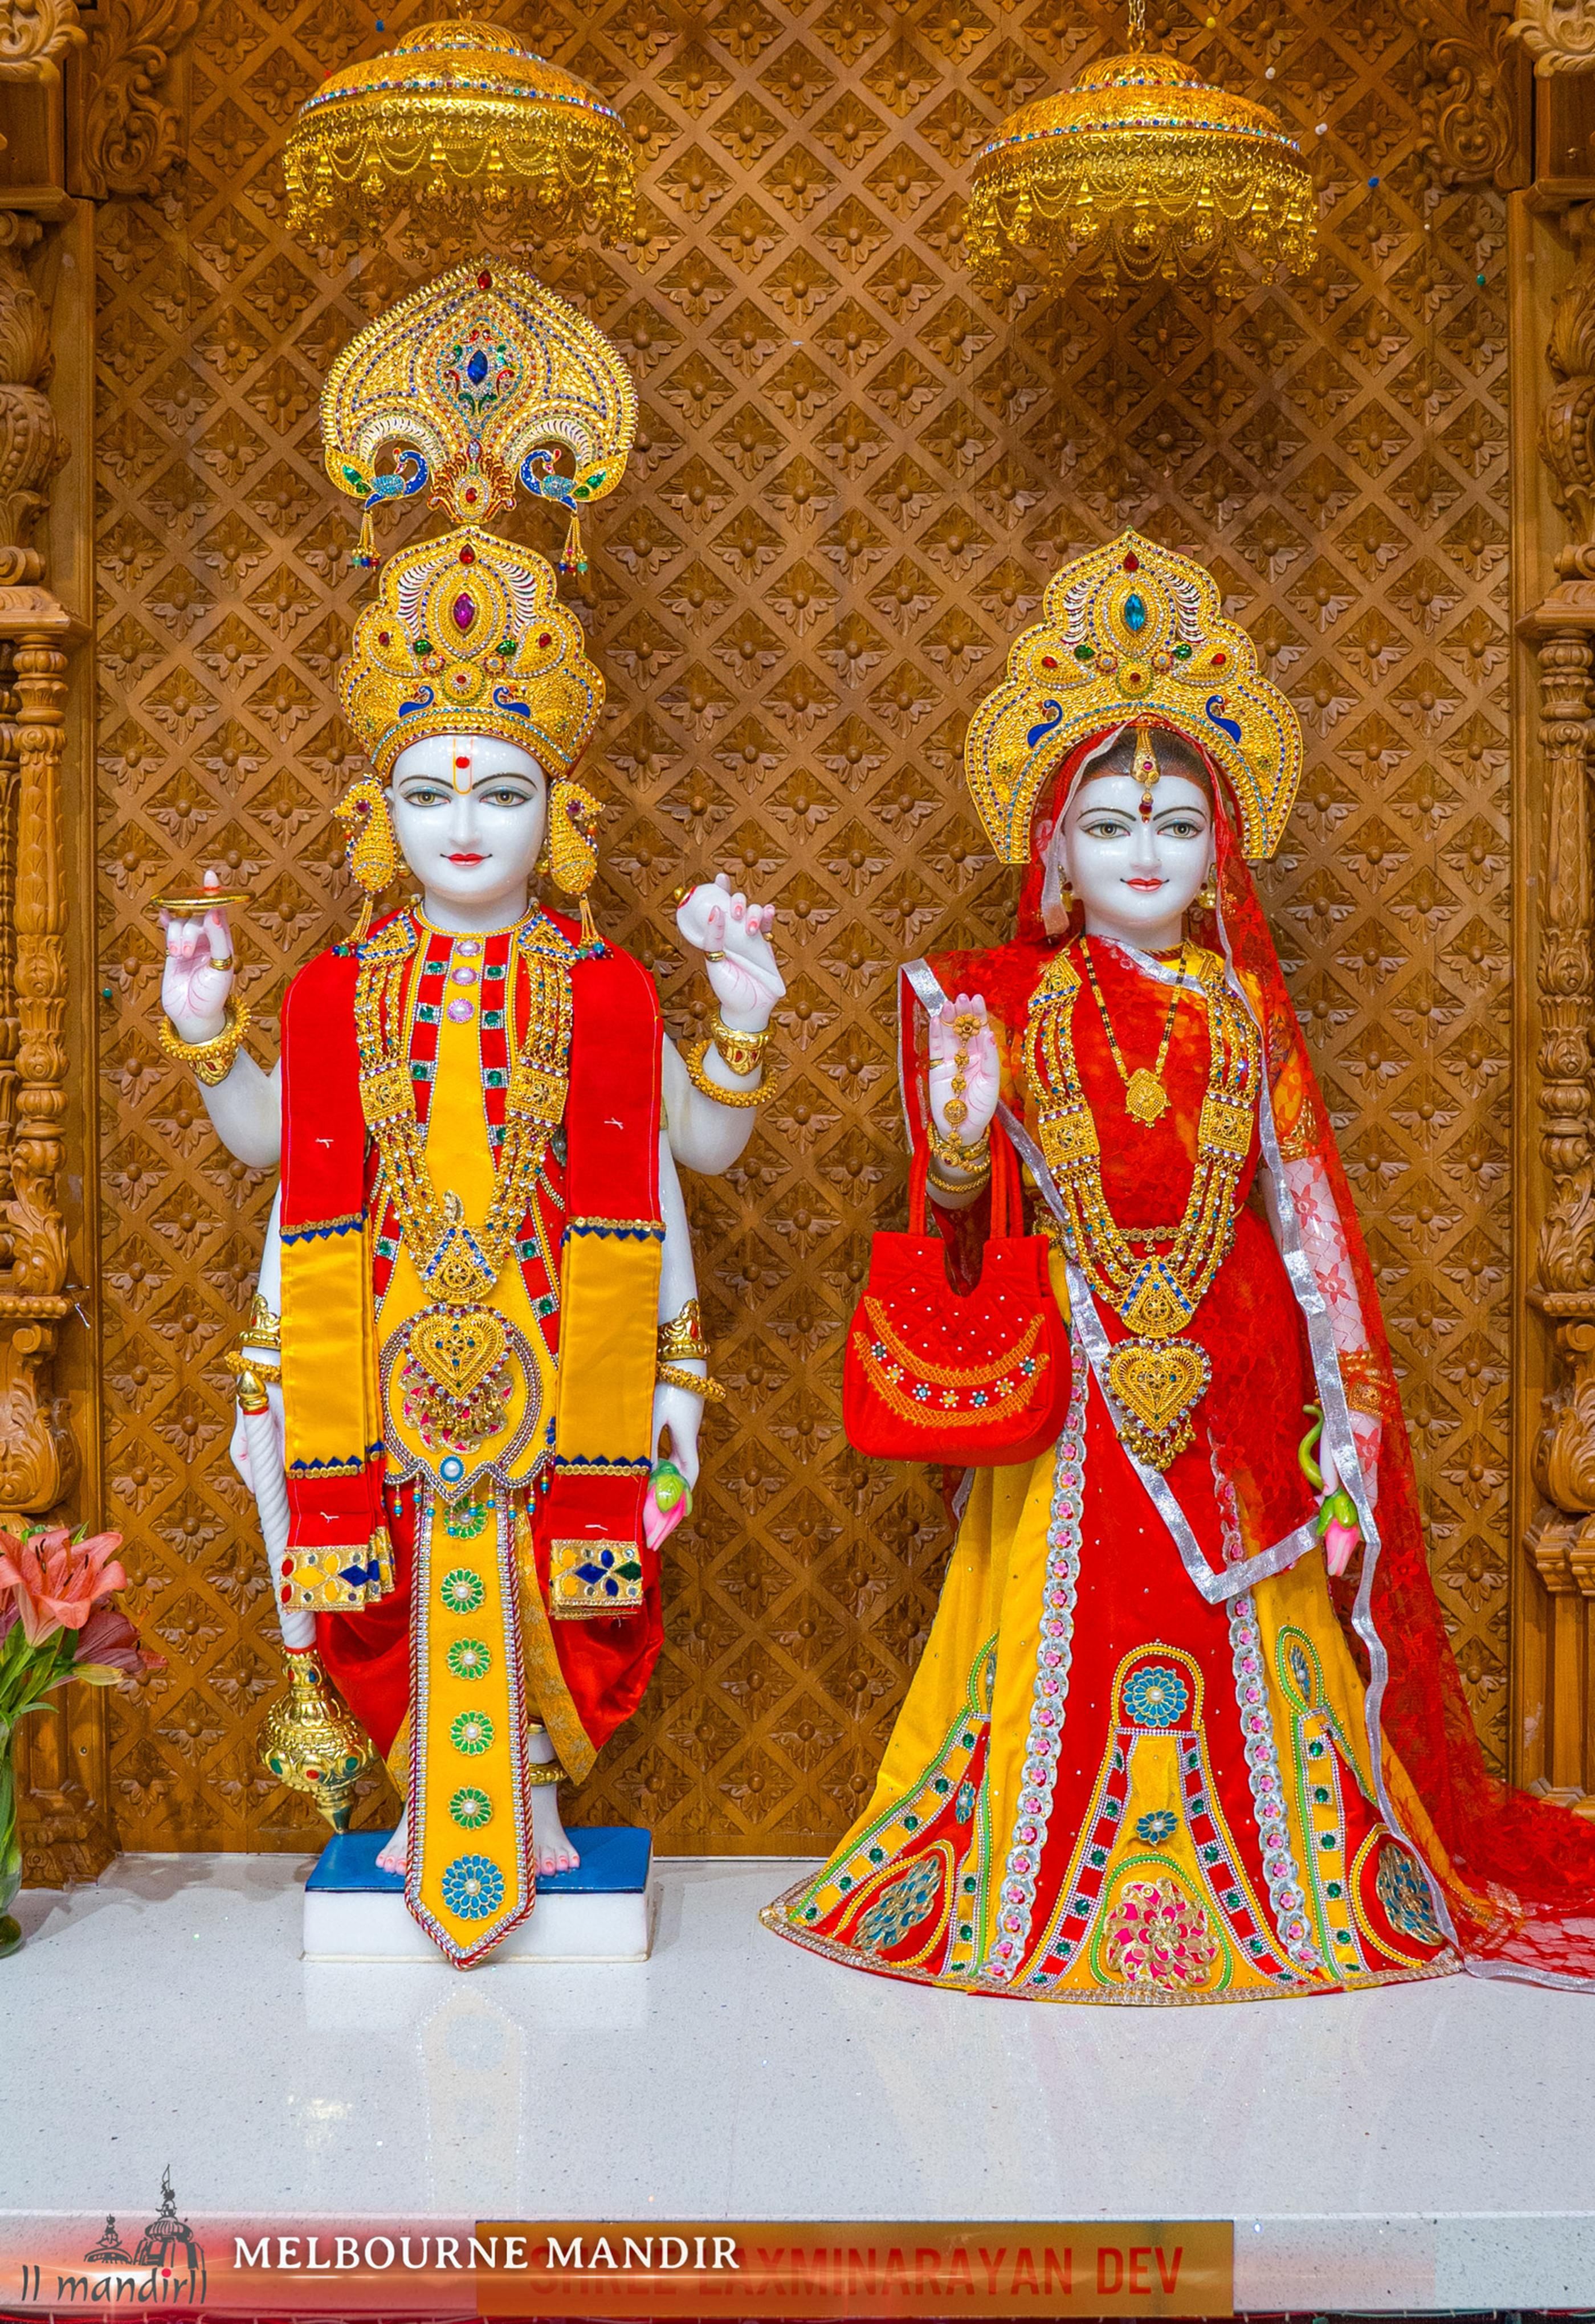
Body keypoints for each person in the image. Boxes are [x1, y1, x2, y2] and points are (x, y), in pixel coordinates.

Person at [766, 529, 1595, 2000]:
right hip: (1079, 1381)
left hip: (1235, 1378)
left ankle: (1290, 1890)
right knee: (1059, 1617)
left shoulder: (1245, 1011)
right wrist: (956, 1143)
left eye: (1175, 826)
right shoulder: (996, 1005)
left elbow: (1307, 1221)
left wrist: (1338, 1408)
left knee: (1256, 1638)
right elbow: (958, 1222)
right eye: (1106, 826)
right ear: (1054, 855)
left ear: (1223, 851)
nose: (1143, 853)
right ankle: (1030, 1883)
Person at [157, 266, 784, 1968]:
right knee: (384, 1539)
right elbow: (274, 1150)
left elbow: (698, 1155)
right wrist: (209, 1039)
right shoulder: (333, 987)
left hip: (561, 1324)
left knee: (541, 1550)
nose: (464, 824)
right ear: (379, 809)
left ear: (556, 813)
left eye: (502, 791)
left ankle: (533, 1795)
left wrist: (738, 1015)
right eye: (430, 791)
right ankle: (424, 1798)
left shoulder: (606, 987)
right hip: (369, 1328)